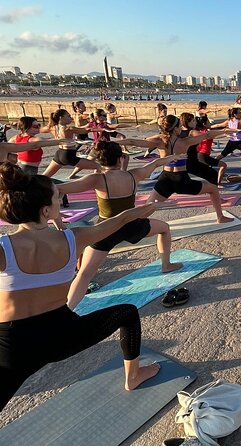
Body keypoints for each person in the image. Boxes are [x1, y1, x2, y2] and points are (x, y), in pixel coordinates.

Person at [0, 163, 161, 410]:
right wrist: (142, 211)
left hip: (13, 348)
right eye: (57, 197)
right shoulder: (73, 238)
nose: (60, 200)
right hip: (64, 336)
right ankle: (133, 376)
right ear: (45, 211)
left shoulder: (4, 249)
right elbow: (116, 221)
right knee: (127, 313)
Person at [57, 141, 183, 308]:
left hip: (105, 230)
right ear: (120, 159)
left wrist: (56, 218)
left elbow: (60, 189)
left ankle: (69, 309)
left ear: (99, 160)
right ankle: (166, 264)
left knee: (84, 274)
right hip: (132, 224)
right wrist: (174, 157)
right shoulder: (134, 175)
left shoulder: (97, 179)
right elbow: (155, 163)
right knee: (164, 229)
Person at [119, 115, 233, 224]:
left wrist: (112, 142)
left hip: (165, 178)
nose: (180, 128)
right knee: (213, 188)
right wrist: (225, 131)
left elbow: (132, 142)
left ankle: (129, 225)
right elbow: (207, 135)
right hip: (181, 179)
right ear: (175, 129)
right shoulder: (185, 142)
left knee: (148, 207)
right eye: (179, 126)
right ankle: (220, 217)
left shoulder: (160, 142)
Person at [42, 109, 104, 178]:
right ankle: (96, 184)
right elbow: (87, 130)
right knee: (98, 167)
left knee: (44, 176)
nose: (70, 118)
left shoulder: (52, 127)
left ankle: (31, 186)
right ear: (61, 118)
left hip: (59, 154)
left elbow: (40, 130)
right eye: (68, 116)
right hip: (68, 156)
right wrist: (104, 129)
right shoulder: (68, 129)